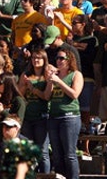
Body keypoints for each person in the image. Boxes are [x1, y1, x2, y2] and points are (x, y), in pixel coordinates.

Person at [46, 49, 84, 179]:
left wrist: (59, 82)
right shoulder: (55, 76)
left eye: (61, 58)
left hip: (69, 117)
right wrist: (50, 80)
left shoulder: (75, 74)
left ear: (69, 60)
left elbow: (74, 94)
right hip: (53, 117)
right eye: (57, 58)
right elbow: (47, 96)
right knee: (57, 155)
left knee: (69, 154)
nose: (58, 60)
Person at [17, 49, 51, 173]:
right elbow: (19, 95)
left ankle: (45, 176)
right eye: (34, 58)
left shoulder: (46, 75)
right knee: (28, 150)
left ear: (44, 60)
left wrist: (33, 88)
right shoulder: (25, 74)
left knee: (42, 151)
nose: (36, 60)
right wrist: (25, 86)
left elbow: (46, 96)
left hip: (41, 117)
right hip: (27, 117)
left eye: (39, 58)